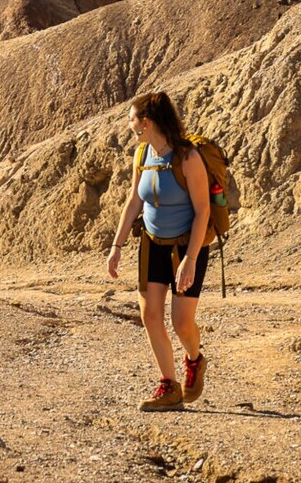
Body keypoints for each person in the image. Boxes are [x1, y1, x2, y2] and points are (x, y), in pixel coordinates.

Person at [107, 90, 211, 411]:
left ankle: (194, 359)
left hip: (186, 248)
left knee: (181, 323)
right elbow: (133, 202)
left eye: (131, 120)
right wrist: (117, 246)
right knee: (150, 314)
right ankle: (169, 385)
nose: (129, 126)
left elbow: (203, 211)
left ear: (146, 122)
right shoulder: (142, 156)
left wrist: (191, 259)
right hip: (152, 244)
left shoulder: (188, 158)